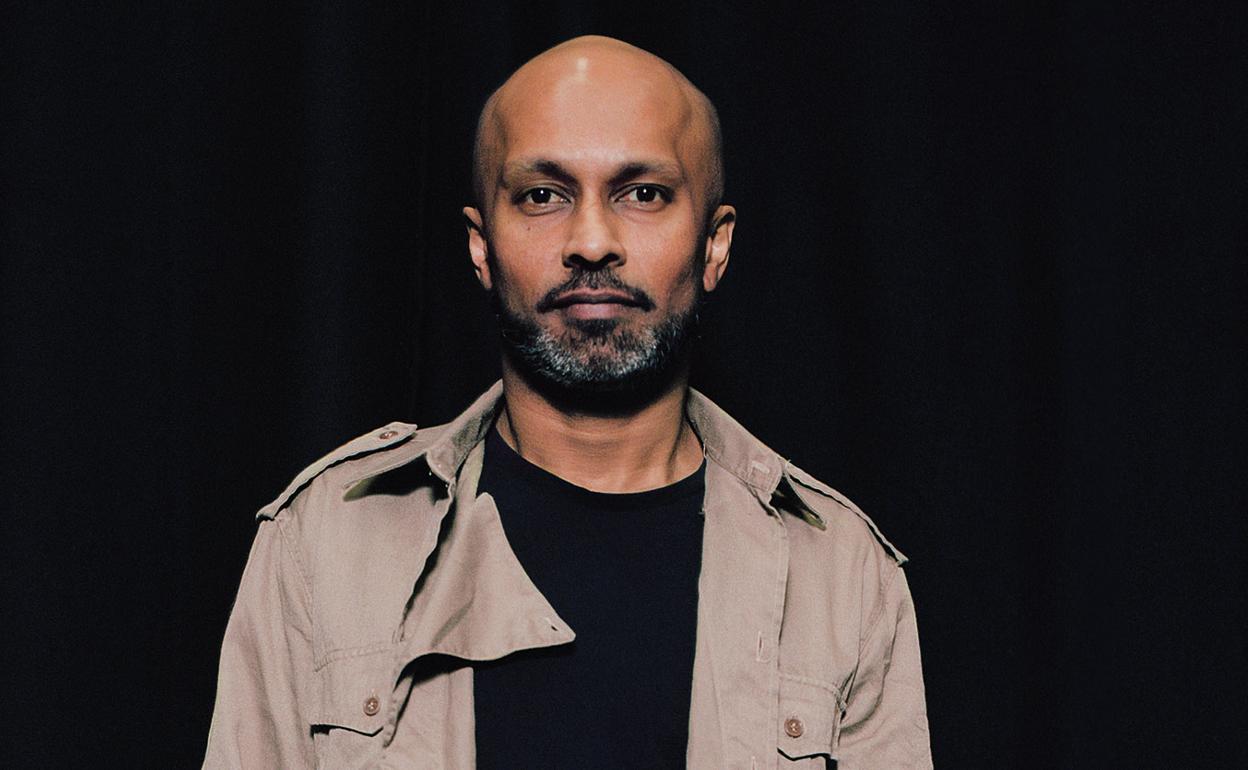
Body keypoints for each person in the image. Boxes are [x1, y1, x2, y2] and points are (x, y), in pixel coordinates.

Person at [204, 35, 932, 769]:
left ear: (714, 245)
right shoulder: (325, 544)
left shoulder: (842, 576)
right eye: (543, 196)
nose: (591, 241)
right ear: (481, 247)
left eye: (642, 194)